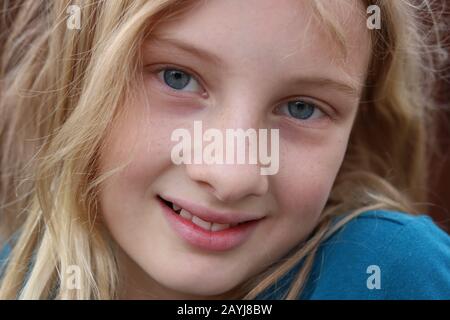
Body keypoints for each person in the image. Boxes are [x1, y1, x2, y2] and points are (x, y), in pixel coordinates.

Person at [0, 0, 449, 299]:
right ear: (79, 78)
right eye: (177, 77)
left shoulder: (387, 272)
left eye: (301, 107)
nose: (230, 174)